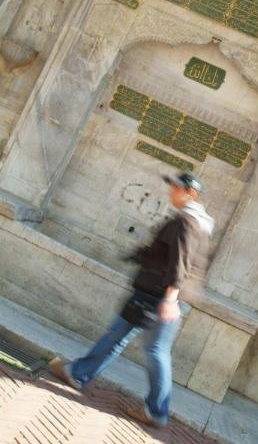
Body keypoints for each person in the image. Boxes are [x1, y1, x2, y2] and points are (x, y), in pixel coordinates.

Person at [49, 172, 214, 428]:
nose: (171, 191)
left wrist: (170, 299)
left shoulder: (187, 222)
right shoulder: (191, 221)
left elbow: (179, 263)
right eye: (172, 186)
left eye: (177, 188)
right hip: (150, 293)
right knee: (117, 335)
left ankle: (157, 411)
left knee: (155, 351)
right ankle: (77, 373)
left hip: (160, 297)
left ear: (191, 193)